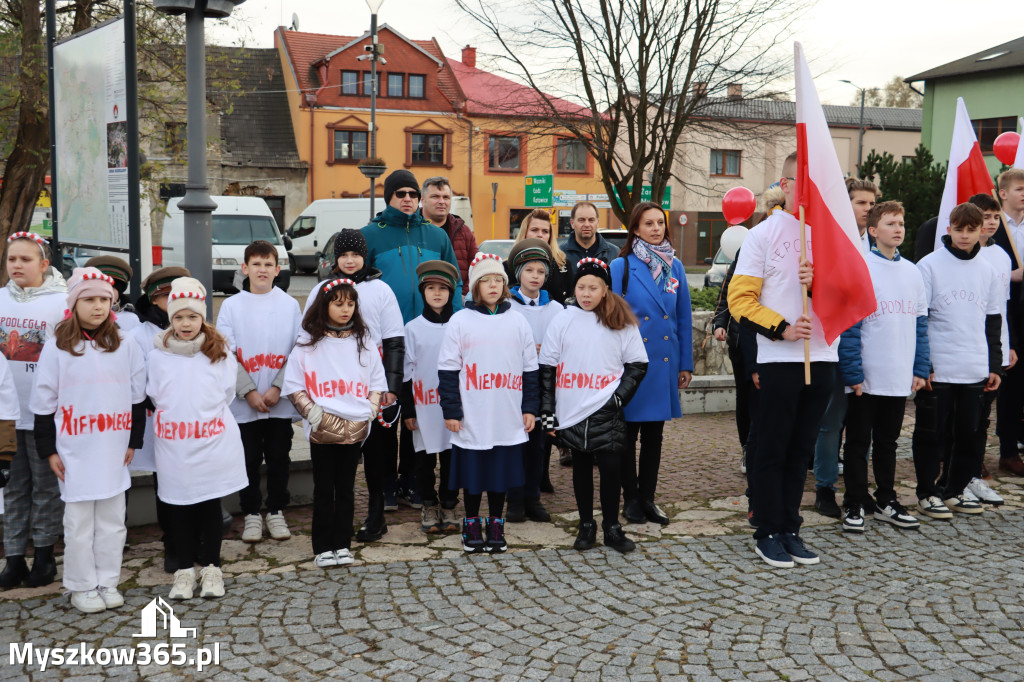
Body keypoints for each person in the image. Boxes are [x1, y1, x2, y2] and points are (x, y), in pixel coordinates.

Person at [728, 152, 833, 569]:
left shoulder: (831, 234)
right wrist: (782, 328)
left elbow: (854, 295)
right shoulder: (763, 234)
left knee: (801, 450)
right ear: (785, 184)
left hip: (822, 355)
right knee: (770, 448)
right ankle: (767, 530)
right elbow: (739, 301)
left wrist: (820, 281)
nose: (808, 188)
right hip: (778, 359)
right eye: (800, 180)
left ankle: (791, 526)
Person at [30, 267, 147, 612]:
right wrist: (49, 449)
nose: (98, 306)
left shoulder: (126, 344)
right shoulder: (57, 347)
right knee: (79, 520)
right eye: (90, 299)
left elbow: (137, 396)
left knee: (112, 519)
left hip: (113, 447)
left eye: (104, 299)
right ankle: (81, 584)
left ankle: (107, 580)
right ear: (74, 303)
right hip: (74, 449)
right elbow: (43, 402)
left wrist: (132, 442)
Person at [147, 278, 247, 600]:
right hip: (174, 445)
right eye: (178, 317)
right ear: (170, 319)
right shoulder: (159, 355)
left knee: (208, 503)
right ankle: (184, 571)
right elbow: (154, 393)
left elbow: (227, 393)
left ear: (202, 318)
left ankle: (213, 568)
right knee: (178, 505)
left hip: (210, 442)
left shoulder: (218, 352)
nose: (185, 324)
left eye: (192, 317)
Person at [539, 258, 648, 553]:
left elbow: (638, 364)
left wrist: (618, 398)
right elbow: (547, 367)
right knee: (581, 468)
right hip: (572, 408)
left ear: (605, 290)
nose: (586, 293)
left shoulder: (619, 320)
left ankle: (612, 527)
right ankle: (586, 525)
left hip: (606, 408)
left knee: (611, 468)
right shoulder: (563, 318)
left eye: (593, 288)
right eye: (581, 287)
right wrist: (548, 413)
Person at [305, 229, 407, 539]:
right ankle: (338, 516)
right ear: (335, 258)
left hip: (372, 385)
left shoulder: (380, 291)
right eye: (344, 255)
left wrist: (391, 387)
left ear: (365, 256)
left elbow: (394, 341)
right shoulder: (322, 289)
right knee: (338, 455)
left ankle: (377, 512)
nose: (350, 260)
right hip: (334, 388)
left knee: (377, 452)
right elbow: (307, 339)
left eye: (355, 254)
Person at [437, 253, 539, 554]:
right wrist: (452, 410)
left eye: (498, 280)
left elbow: (530, 369)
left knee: (499, 473)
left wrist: (529, 407)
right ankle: (471, 522)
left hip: (507, 413)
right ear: (475, 287)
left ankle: (496, 522)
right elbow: (447, 370)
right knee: (473, 473)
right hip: (472, 413)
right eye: (486, 280)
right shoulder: (460, 320)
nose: (493, 285)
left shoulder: (517, 320)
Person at [837, 203, 929, 533]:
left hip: (899, 375)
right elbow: (850, 327)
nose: (899, 228)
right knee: (858, 443)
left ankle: (887, 499)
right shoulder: (861, 268)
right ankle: (855, 501)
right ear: (873, 231)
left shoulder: (913, 272)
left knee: (889, 442)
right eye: (890, 223)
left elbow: (920, 325)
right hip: (866, 377)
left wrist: (920, 368)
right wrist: (852, 373)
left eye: (902, 223)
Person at [284, 278, 387, 568]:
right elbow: (294, 383)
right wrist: (313, 413)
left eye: (350, 303)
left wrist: (370, 408)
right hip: (322, 426)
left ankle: (342, 543)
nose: (345, 309)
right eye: (338, 303)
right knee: (323, 487)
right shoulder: (307, 343)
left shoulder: (363, 341)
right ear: (324, 305)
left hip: (355, 426)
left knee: (346, 487)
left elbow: (377, 379)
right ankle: (322, 546)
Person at [914, 203, 1002, 518]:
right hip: (940, 367)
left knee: (969, 434)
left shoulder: (989, 270)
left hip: (975, 366)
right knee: (932, 433)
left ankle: (952, 489)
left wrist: (994, 365)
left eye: (971, 230)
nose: (965, 236)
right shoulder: (929, 265)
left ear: (981, 232)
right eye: (959, 229)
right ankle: (927, 492)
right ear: (949, 229)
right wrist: (925, 366)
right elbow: (919, 320)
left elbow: (993, 322)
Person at [609, 202, 693, 526]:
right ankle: (630, 500)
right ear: (635, 229)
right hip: (632, 364)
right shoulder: (621, 267)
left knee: (655, 436)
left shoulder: (676, 268)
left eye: (660, 222)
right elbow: (611, 319)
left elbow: (682, 318)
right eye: (649, 223)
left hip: (664, 364)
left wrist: (685, 364)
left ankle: (648, 499)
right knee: (628, 435)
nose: (656, 228)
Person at [217, 241, 302, 544]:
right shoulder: (232, 306)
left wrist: (278, 386)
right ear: (245, 268)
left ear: (277, 270)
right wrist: (249, 391)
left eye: (268, 265)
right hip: (246, 402)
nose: (262, 270)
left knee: (279, 456)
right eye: (256, 264)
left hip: (278, 400)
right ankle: (252, 512)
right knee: (249, 458)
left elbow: (297, 349)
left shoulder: (289, 305)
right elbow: (226, 353)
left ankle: (276, 509)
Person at [0, 232, 68, 589]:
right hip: (6, 415)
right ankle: (14, 558)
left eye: (25, 260)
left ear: (44, 264)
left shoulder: (61, 303)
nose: (17, 266)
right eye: (12, 259)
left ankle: (43, 556)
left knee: (45, 487)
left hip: (44, 415)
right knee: (13, 488)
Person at [811, 178, 881, 519]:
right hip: (835, 346)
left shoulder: (877, 246)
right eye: (860, 203)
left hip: (872, 349)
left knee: (862, 427)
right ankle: (824, 488)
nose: (868, 209)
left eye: (871, 203)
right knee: (830, 424)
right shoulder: (831, 243)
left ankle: (858, 488)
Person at [127, 266, 190, 572]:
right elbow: (137, 380)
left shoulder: (196, 329)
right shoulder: (139, 335)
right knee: (164, 484)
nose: (176, 301)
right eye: (169, 296)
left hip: (193, 423)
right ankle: (173, 544)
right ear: (155, 299)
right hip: (159, 420)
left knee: (193, 479)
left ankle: (196, 540)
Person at [505, 239, 563, 523]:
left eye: (541, 271)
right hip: (513, 383)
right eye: (529, 270)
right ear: (518, 273)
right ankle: (514, 499)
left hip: (543, 384)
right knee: (516, 443)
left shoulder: (555, 309)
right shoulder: (507, 307)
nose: (536, 276)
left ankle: (533, 497)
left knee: (538, 443)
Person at [402, 261, 461, 534]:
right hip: (424, 404)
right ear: (422, 292)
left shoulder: (460, 325)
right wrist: (410, 410)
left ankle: (449, 503)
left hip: (452, 405)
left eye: (443, 288)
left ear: (451, 292)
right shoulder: (413, 328)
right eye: (430, 288)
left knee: (452, 457)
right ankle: (428, 502)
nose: (437, 293)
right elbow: (406, 372)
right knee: (424, 459)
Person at [361, 169, 464, 323]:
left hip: (431, 328)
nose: (408, 199)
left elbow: (455, 281)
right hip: (386, 329)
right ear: (389, 198)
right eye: (401, 194)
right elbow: (357, 285)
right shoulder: (368, 235)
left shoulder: (438, 236)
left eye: (413, 194)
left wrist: (455, 321)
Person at [967, 193, 1013, 503]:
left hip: (994, 345)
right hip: (966, 345)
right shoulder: (965, 254)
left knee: (984, 414)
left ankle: (974, 467)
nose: (991, 222)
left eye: (995, 217)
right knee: (963, 414)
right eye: (985, 217)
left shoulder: (1002, 257)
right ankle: (958, 471)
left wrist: (1008, 346)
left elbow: (1001, 310)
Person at [995, 168, 1024, 476]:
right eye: (1019, 189)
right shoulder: (994, 225)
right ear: (1003, 193)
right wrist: (1010, 276)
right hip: (1006, 311)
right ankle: (1007, 450)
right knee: (1011, 385)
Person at [420, 177, 478, 297]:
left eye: (446, 197)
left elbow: (476, 267)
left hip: (456, 303)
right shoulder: (412, 229)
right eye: (435, 196)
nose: (442, 201)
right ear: (423, 200)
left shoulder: (464, 232)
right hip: (422, 301)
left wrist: (463, 295)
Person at [506, 209, 573, 304]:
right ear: (524, 233)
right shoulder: (508, 266)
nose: (540, 235)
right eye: (534, 230)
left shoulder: (563, 264)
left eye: (545, 231)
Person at [84, 256, 140, 331]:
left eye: (111, 288)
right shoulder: (79, 314)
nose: (105, 293)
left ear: (120, 291)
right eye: (99, 288)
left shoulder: (130, 319)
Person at [560, 201, 617, 267]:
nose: (587, 224)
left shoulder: (614, 252)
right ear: (572, 223)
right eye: (581, 220)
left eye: (591, 220)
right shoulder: (559, 253)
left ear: (597, 223)